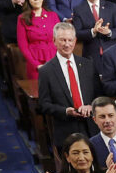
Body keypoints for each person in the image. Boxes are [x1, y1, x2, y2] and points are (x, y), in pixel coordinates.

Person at [37, 22, 99, 150]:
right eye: (62, 40)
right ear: (54, 41)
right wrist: (65, 111)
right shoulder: (46, 71)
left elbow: (100, 95)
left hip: (93, 128)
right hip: (66, 131)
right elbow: (43, 104)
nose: (67, 44)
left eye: (70, 40)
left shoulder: (88, 65)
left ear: (75, 41)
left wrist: (91, 106)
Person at [16, 0, 60, 81]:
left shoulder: (53, 16)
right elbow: (23, 46)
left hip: (54, 60)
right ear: (28, 0)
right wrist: (36, 65)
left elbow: (60, 40)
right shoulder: (22, 18)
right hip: (35, 63)